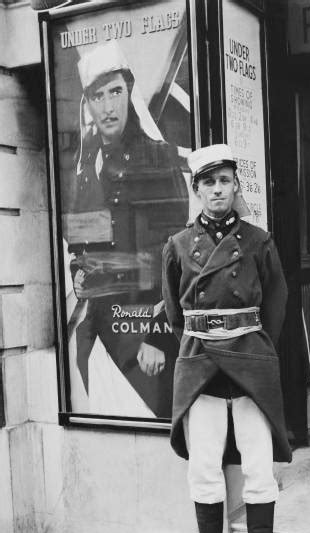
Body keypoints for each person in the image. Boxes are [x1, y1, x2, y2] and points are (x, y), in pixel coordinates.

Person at [162, 144, 292, 533]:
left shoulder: (258, 240)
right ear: (196, 190)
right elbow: (177, 317)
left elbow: (276, 301)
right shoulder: (178, 246)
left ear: (236, 186)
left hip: (250, 361)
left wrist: (256, 348)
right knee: (203, 463)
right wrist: (204, 340)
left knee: (257, 462)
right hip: (200, 364)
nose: (217, 190)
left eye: (224, 181)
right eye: (208, 183)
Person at [66, 42, 188, 416]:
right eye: (97, 96)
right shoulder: (85, 169)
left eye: (115, 92)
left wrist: (159, 337)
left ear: (129, 92)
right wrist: (79, 273)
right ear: (87, 103)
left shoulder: (159, 157)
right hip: (99, 329)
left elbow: (177, 258)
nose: (107, 107)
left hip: (143, 331)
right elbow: (81, 245)